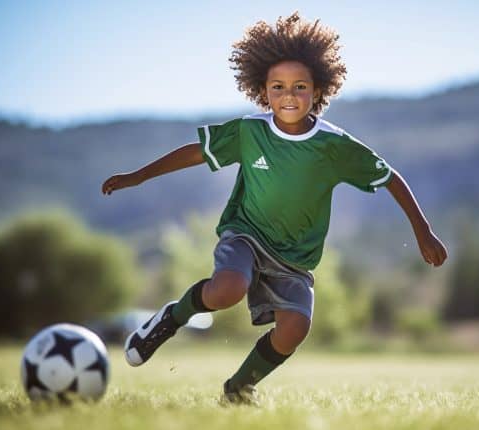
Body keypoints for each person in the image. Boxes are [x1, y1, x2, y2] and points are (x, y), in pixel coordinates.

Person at [101, 12, 447, 404]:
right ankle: (170, 318)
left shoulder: (335, 147)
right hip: (245, 234)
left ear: (317, 90)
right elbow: (196, 153)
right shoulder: (250, 131)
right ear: (263, 92)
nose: (288, 95)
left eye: (300, 86)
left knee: (295, 327)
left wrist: (423, 230)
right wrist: (139, 176)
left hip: (296, 257)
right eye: (278, 86)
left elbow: (390, 178)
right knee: (228, 288)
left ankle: (237, 389)